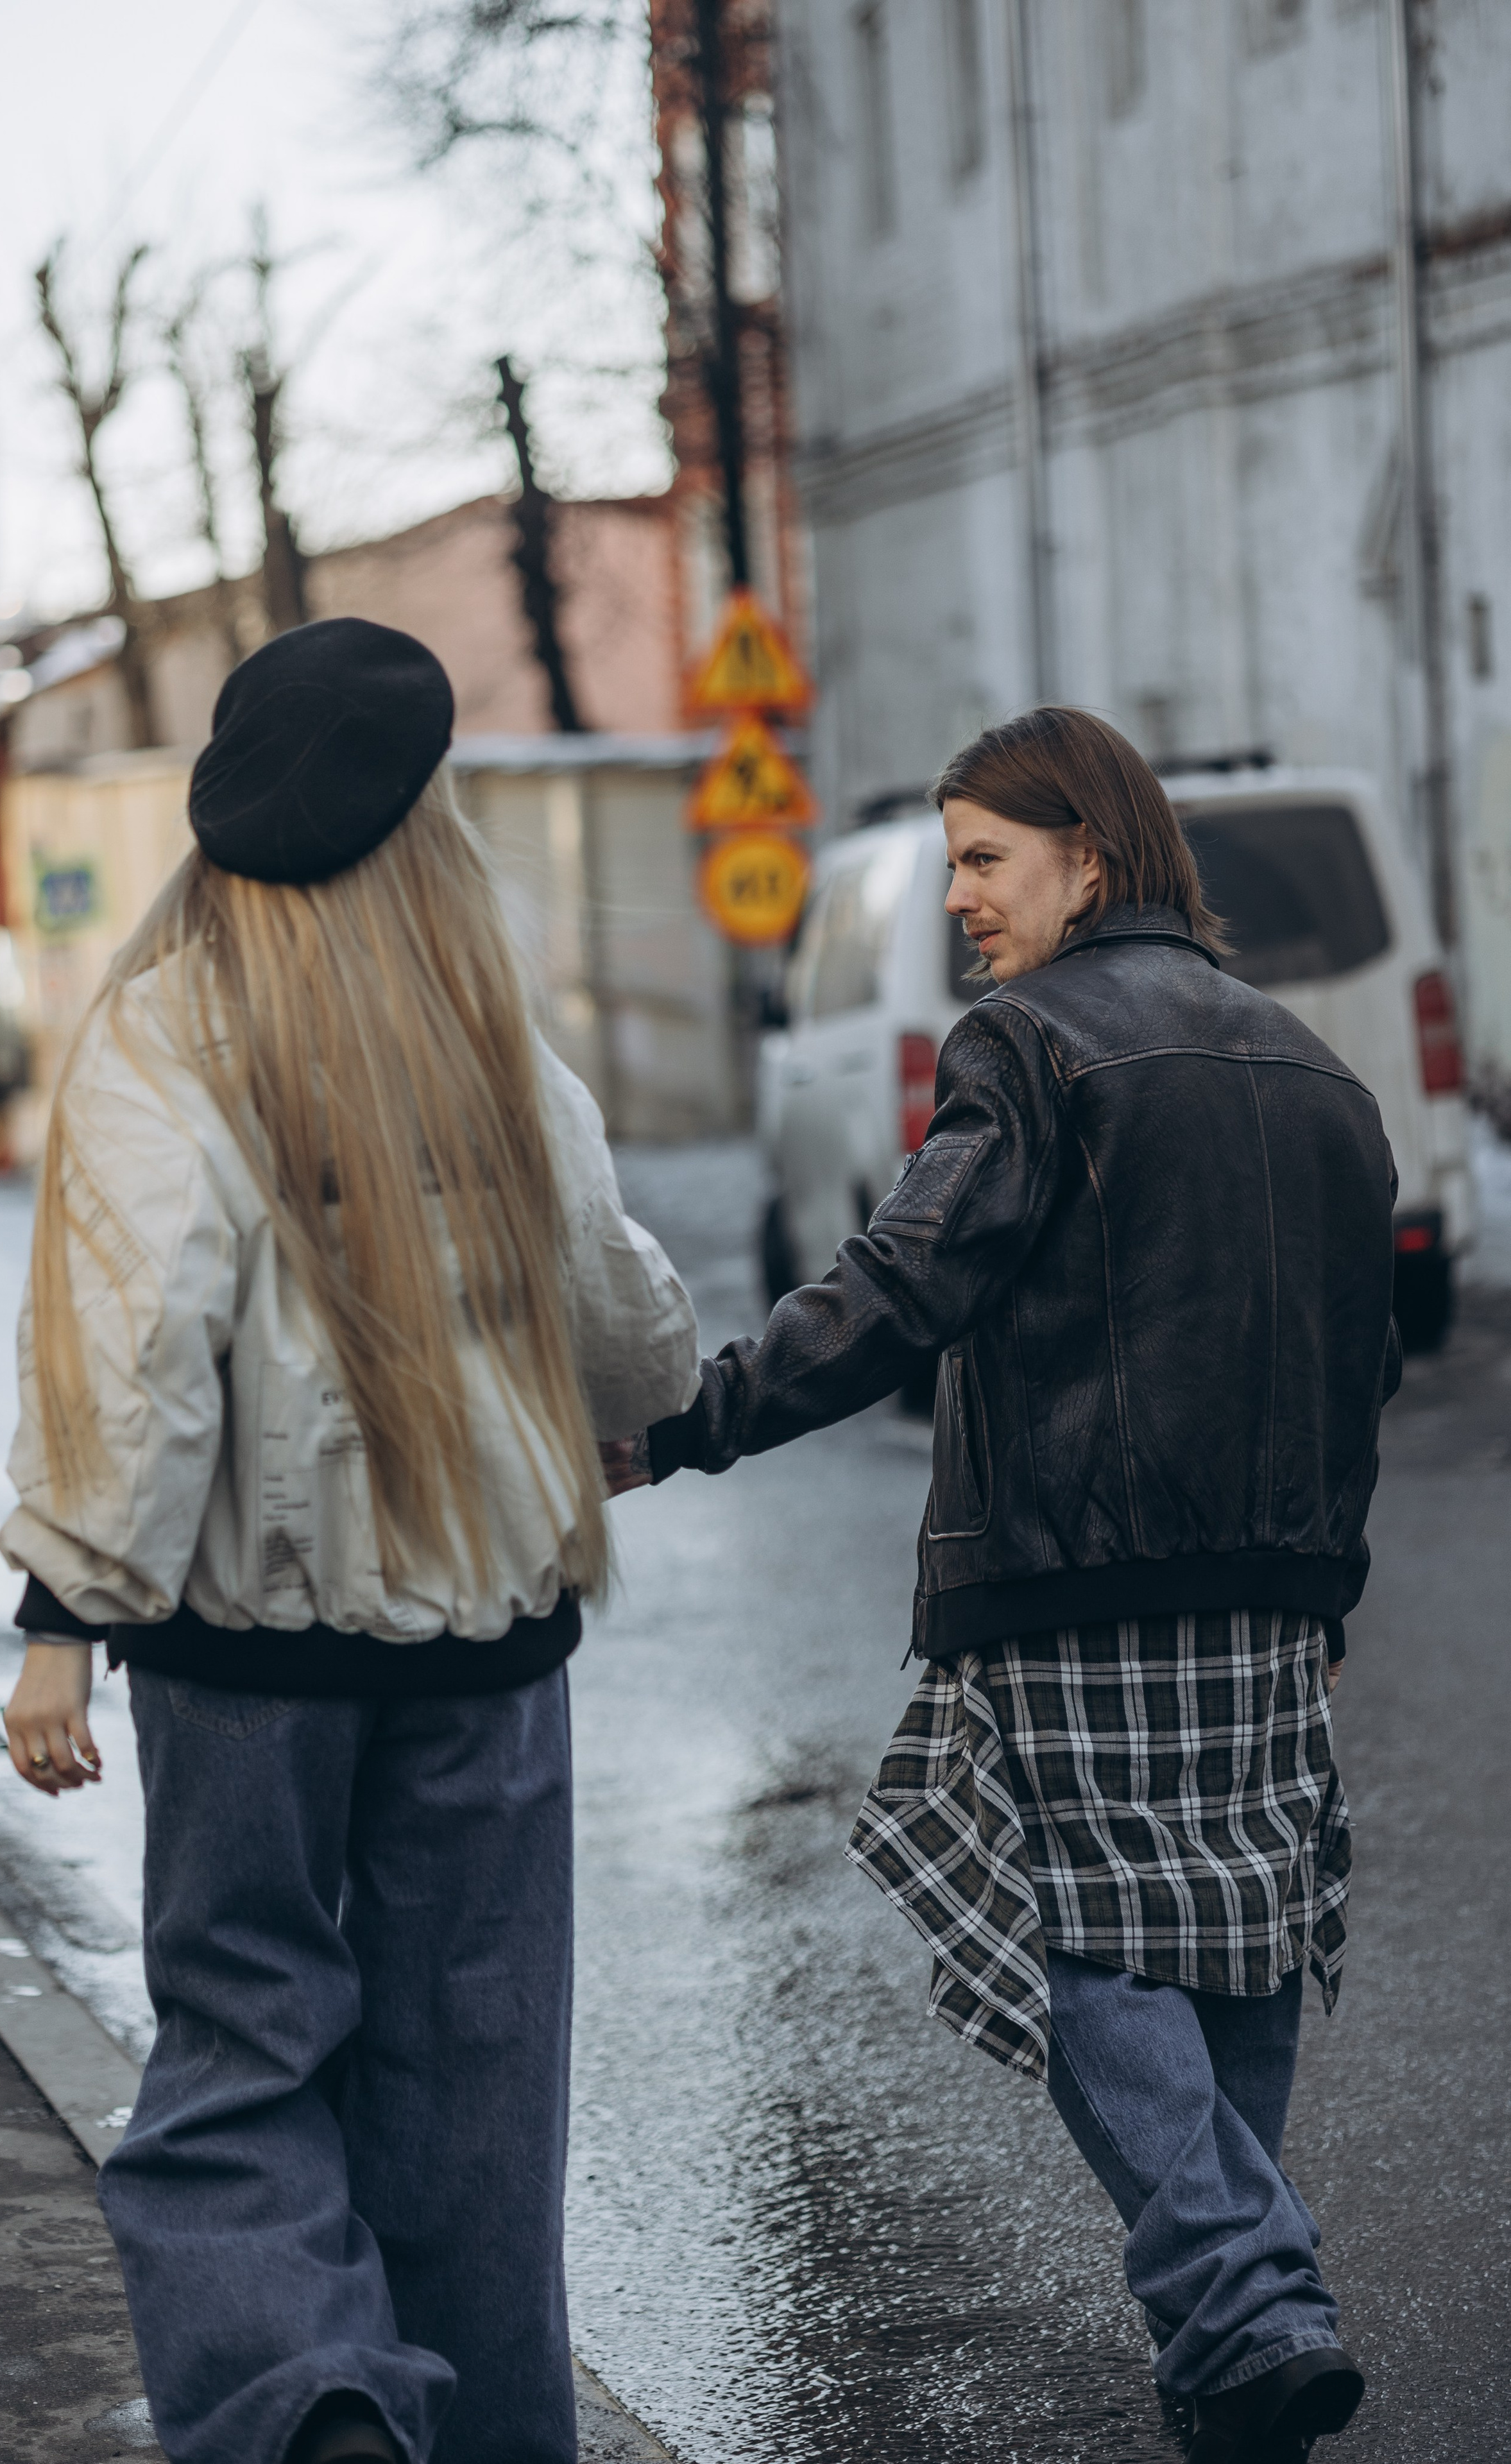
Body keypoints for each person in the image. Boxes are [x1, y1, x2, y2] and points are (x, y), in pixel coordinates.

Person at [608, 708, 1397, 2464]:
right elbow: (1360, 1359)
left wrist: (689, 1423)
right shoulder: (1309, 1065)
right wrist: (1322, 1589)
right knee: (1228, 1938)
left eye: (984, 859)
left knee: (1067, 1928)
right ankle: (1234, 2371)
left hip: (1071, 1578)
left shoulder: (1030, 1045)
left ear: (1087, 859)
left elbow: (905, 1282)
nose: (962, 898)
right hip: (1268, 1594)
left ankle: (1250, 2295)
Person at [0, 618, 700, 2464]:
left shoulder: (170, 1026)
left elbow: (138, 1334)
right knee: (475, 2102)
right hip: (489, 1650)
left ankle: (307, 2400)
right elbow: (615, 1309)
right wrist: (639, 1410)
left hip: (246, 1657)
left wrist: (69, 1607)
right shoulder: (482, 1022)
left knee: (242, 2061)